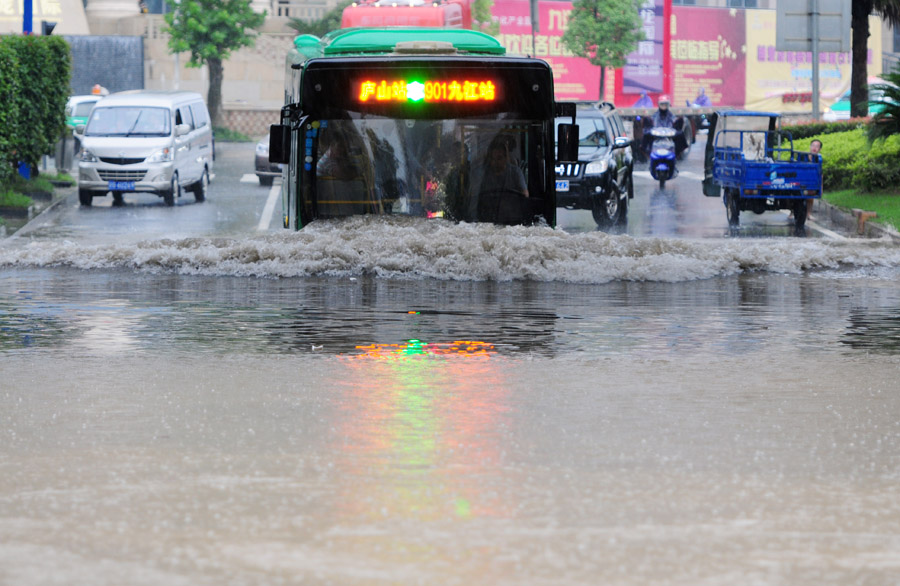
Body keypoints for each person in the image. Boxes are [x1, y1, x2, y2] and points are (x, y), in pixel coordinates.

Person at [471, 137, 529, 223]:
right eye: (493, 159)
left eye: (499, 158)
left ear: (506, 158)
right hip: (486, 218)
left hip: (512, 218)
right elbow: (473, 197)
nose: (496, 162)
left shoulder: (515, 172)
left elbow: (525, 195)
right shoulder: (483, 173)